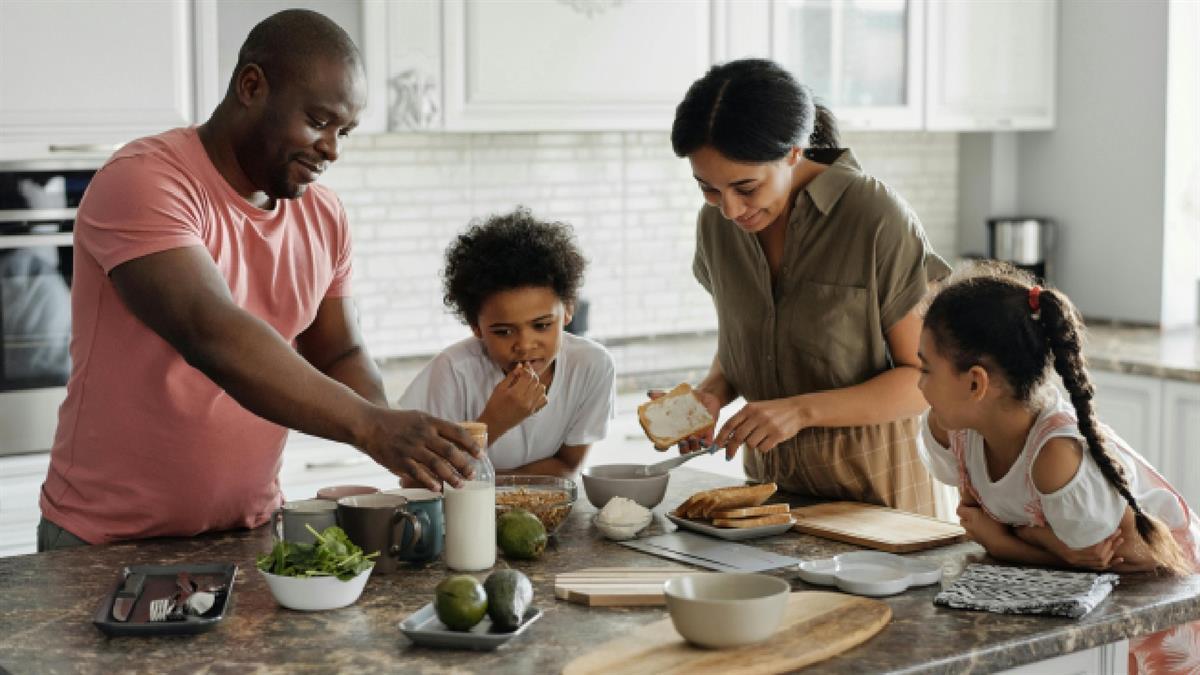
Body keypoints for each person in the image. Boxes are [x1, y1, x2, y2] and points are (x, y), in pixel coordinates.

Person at [37, 9, 480, 551]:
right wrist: (371, 426)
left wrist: (398, 440)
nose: (332, 149)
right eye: (319, 121)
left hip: (249, 532)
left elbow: (339, 350)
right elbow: (212, 333)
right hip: (106, 541)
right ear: (251, 86)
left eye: (345, 131)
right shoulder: (144, 181)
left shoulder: (324, 215)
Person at [668, 58, 950, 515]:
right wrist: (711, 395)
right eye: (709, 189)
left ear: (794, 152)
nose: (730, 210)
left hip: (880, 504)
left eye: (746, 187)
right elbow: (750, 342)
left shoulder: (873, 216)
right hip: (770, 502)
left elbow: (924, 380)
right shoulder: (717, 227)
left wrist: (799, 411)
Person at [917, 262, 1199, 673]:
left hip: (1161, 598)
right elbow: (1069, 556)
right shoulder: (955, 428)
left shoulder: (1055, 457)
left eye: (926, 369)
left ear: (975, 384)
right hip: (1087, 600)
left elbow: (1108, 560)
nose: (917, 383)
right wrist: (1045, 541)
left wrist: (1005, 543)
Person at [398, 207, 615, 477]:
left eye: (542, 325)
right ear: (475, 326)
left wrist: (487, 484)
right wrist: (494, 422)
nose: (524, 345)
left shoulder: (592, 366)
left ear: (568, 309)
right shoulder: (453, 372)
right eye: (503, 331)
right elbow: (414, 481)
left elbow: (567, 466)